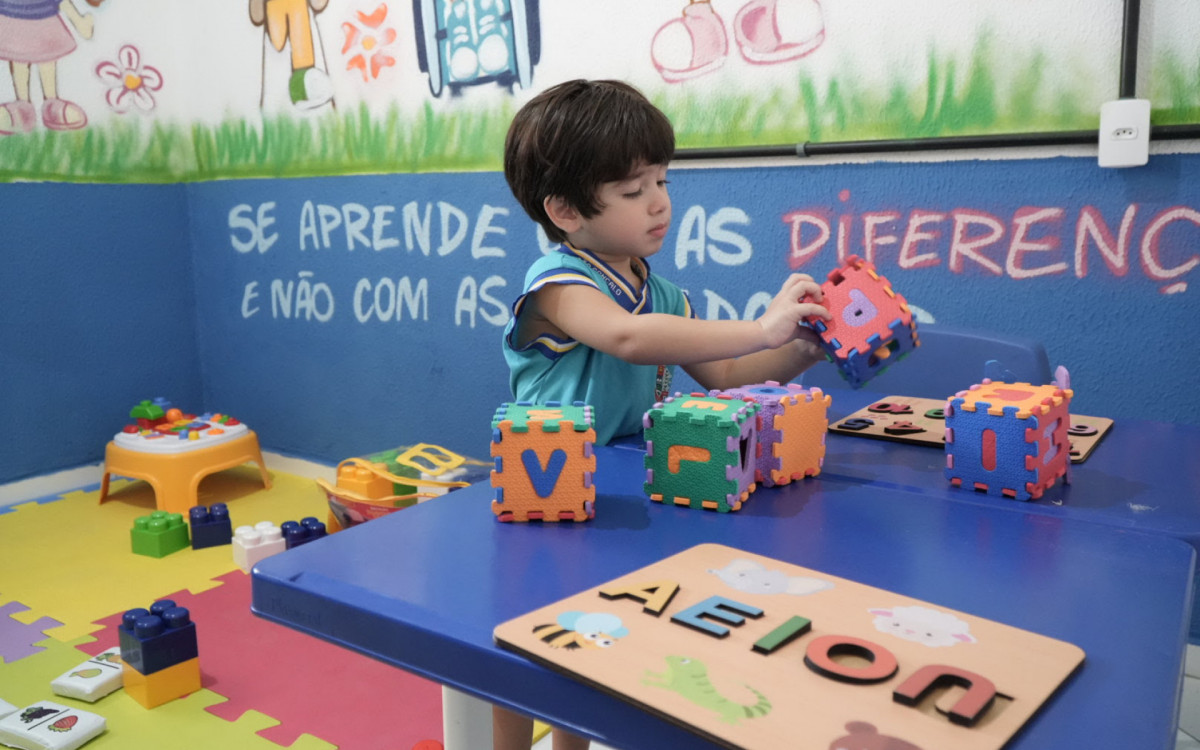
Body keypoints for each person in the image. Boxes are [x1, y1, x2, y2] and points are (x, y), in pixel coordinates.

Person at [495, 78, 830, 750]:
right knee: (522, 647)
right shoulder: (557, 284)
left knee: (589, 639)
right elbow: (626, 337)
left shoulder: (665, 293)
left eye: (662, 180)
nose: (659, 202)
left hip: (625, 489)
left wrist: (800, 349)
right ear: (564, 210)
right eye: (632, 190)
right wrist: (759, 326)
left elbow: (726, 376)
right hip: (545, 488)